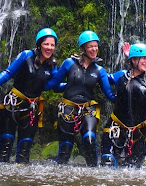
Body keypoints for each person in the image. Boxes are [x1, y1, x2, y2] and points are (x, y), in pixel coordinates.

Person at [0, 28, 59, 164]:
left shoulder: (52, 65)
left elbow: (54, 86)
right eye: (46, 44)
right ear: (39, 44)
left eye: (52, 45)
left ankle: (19, 181)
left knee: (25, 147)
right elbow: (8, 73)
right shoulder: (26, 56)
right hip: (13, 104)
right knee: (6, 143)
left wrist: (77, 84)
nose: (49, 48)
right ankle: (0, 175)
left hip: (32, 108)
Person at [45, 30, 116, 167]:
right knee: (65, 148)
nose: (94, 49)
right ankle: (60, 176)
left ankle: (93, 171)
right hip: (68, 109)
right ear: (83, 48)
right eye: (90, 46)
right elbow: (54, 85)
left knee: (89, 140)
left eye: (96, 46)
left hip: (88, 110)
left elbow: (110, 95)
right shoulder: (69, 63)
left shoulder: (99, 70)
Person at [100, 43, 146, 168]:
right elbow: (102, 77)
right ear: (134, 59)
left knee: (134, 170)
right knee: (107, 165)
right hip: (116, 129)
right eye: (144, 58)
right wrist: (111, 96)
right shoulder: (120, 76)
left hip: (139, 133)